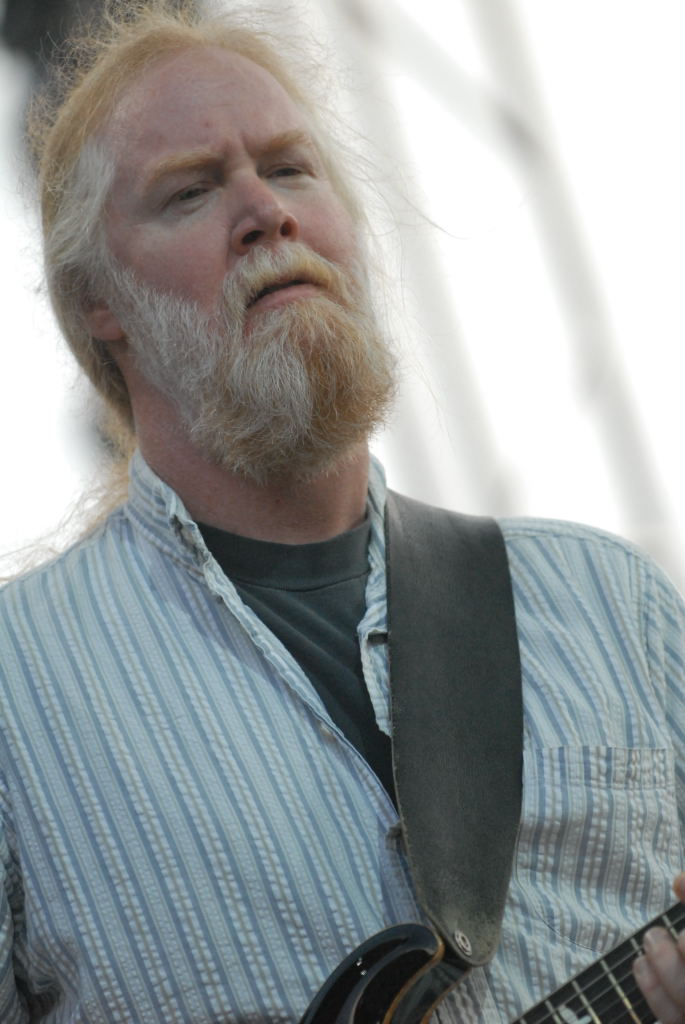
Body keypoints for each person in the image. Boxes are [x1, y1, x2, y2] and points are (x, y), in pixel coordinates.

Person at [2, 1, 685, 1020]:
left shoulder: (608, 601)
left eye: (290, 169)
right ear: (98, 302)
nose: (263, 211)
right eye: (190, 190)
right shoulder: (16, 691)